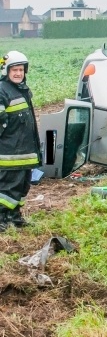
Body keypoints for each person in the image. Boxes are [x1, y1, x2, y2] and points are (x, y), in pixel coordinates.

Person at [0, 51, 42, 231]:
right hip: (9, 155)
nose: (18, 73)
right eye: (14, 70)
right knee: (7, 190)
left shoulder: (21, 90)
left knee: (21, 189)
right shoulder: (2, 91)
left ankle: (14, 217)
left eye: (21, 70)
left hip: (25, 153)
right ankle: (2, 219)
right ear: (6, 71)